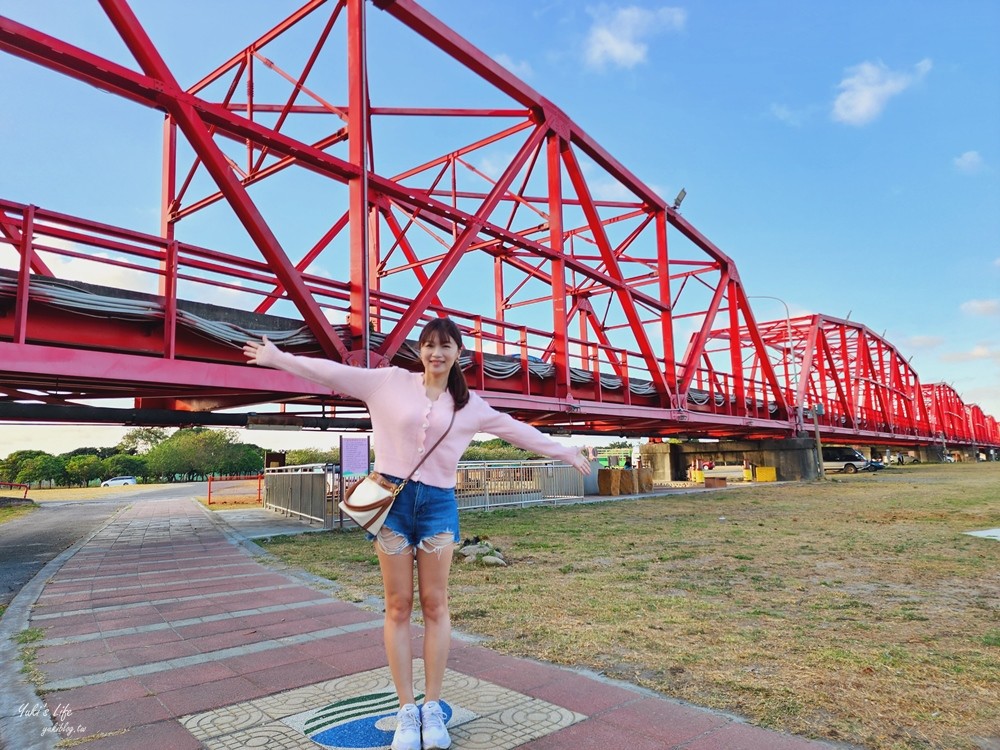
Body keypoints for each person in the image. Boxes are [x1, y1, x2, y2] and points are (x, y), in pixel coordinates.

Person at [243, 317, 590, 750]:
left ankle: (432, 705)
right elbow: (332, 373)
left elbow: (515, 430)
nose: (436, 354)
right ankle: (406, 708)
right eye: (429, 345)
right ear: (420, 350)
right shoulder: (388, 382)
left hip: (439, 506)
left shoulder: (470, 405)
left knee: (435, 603)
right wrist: (277, 358)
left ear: (458, 352)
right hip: (391, 502)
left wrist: (565, 450)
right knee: (398, 605)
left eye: (445, 346)